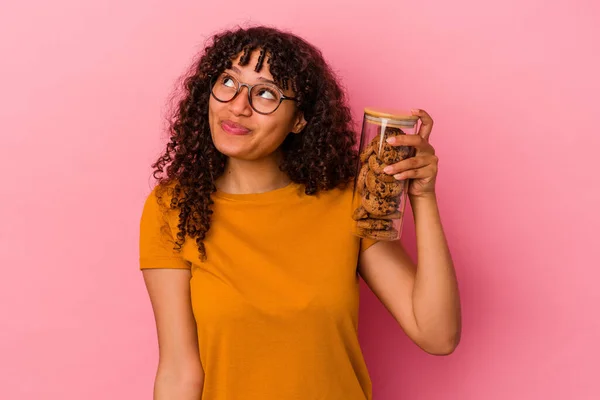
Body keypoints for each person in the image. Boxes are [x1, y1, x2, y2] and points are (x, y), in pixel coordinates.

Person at [139, 25, 461, 400]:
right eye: (228, 82)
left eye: (265, 93)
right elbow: (179, 370)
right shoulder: (174, 207)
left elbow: (437, 334)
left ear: (300, 119)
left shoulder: (347, 203)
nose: (238, 106)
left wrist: (422, 196)